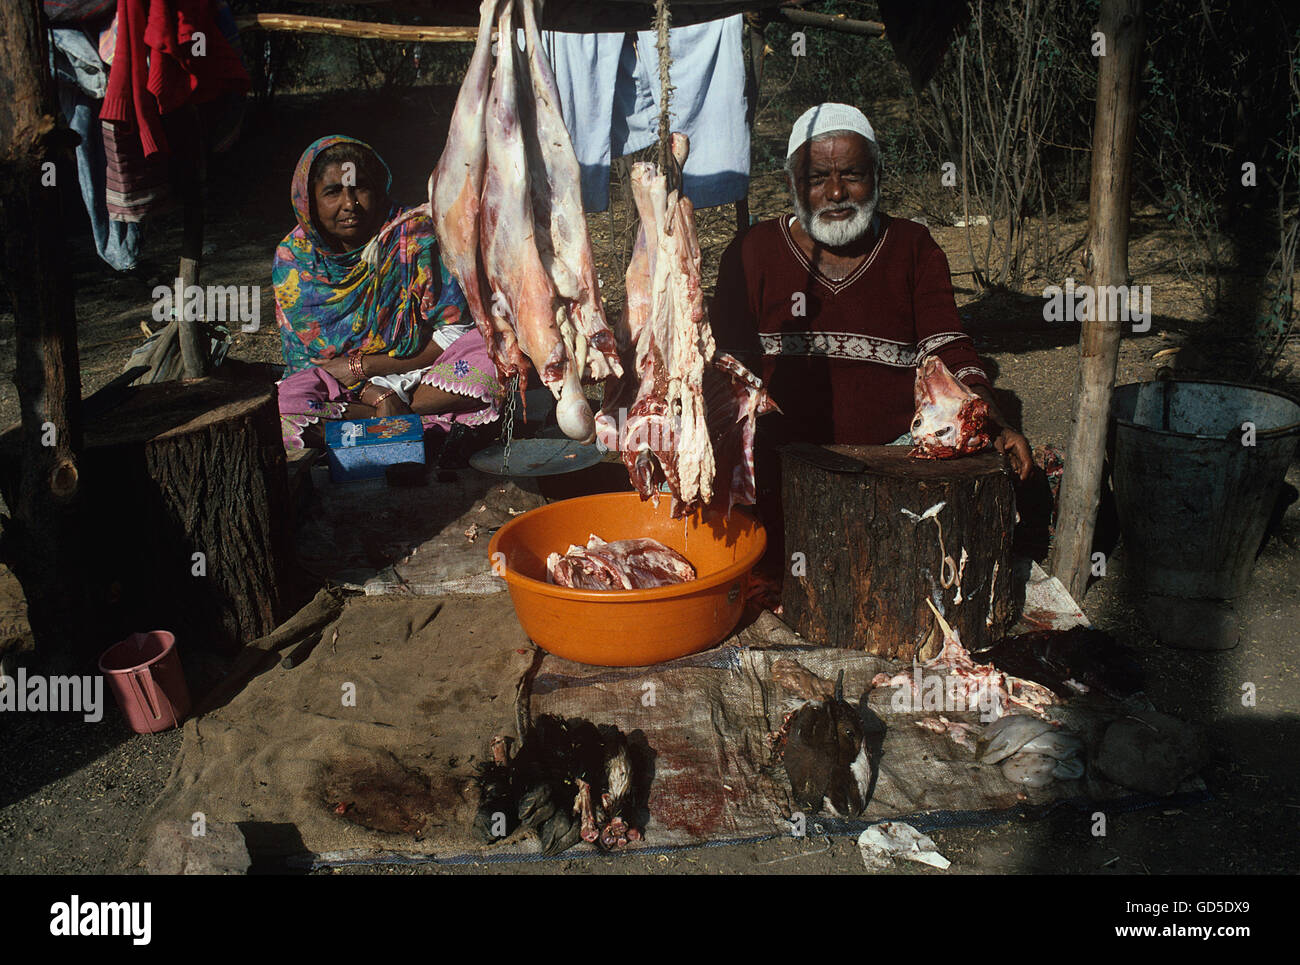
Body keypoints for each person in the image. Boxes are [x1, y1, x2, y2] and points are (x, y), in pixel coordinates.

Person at [710, 103, 1032, 480]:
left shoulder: (912, 246)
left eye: (852, 174)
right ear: (791, 184)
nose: (835, 192)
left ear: (877, 176)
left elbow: (947, 348)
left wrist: (993, 419)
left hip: (896, 456)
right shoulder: (752, 250)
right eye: (816, 178)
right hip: (776, 456)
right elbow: (726, 366)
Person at [274, 135, 504, 450]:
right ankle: (402, 418)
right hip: (343, 388)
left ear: (379, 190)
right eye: (333, 192)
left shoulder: (413, 237)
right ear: (308, 202)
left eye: (361, 188)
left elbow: (454, 330)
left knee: (500, 355)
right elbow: (305, 363)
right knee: (284, 404)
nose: (350, 204)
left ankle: (383, 419)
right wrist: (376, 393)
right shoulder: (294, 260)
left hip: (421, 369)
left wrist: (365, 367)